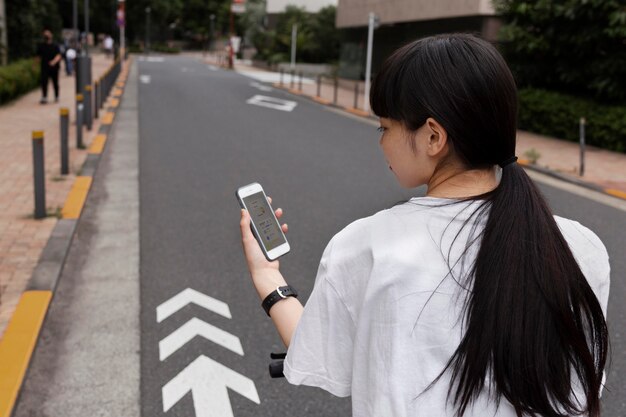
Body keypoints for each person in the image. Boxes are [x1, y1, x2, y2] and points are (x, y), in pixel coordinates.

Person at [239, 34, 610, 417]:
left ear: (433, 136)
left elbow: (316, 350)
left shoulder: (368, 246)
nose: (381, 142)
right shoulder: (580, 247)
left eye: (385, 128)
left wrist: (267, 276)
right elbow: (580, 382)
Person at [36, 30, 62, 104]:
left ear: (51, 35)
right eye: (45, 34)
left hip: (54, 67)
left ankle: (56, 96)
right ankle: (44, 97)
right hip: (44, 67)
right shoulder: (41, 46)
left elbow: (59, 55)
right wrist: (35, 65)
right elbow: (38, 56)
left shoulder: (55, 45)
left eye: (48, 34)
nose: (46, 36)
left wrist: (54, 62)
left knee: (55, 82)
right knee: (44, 82)